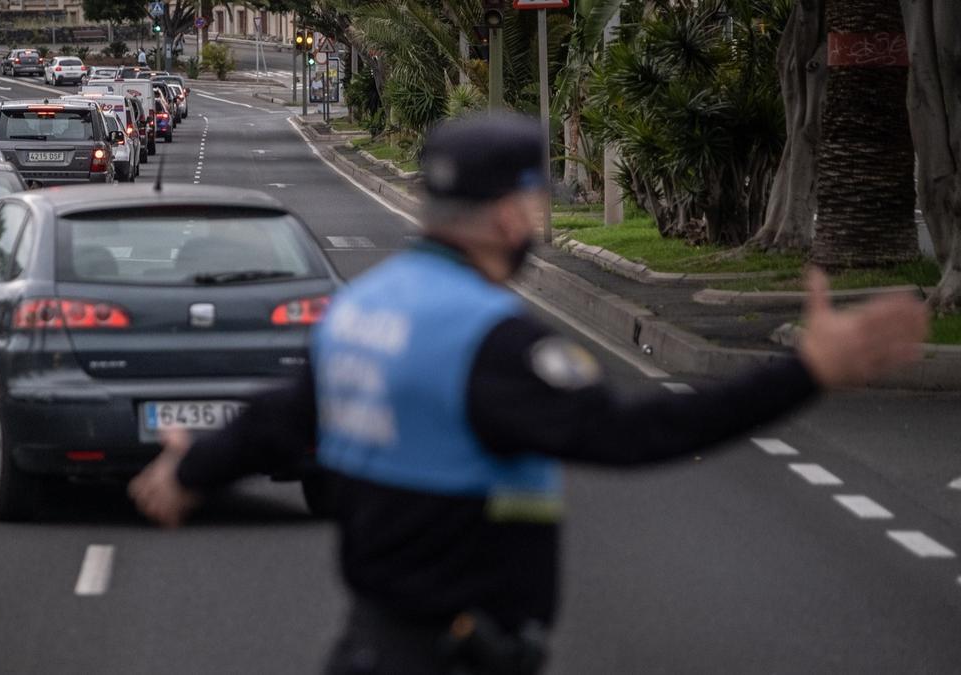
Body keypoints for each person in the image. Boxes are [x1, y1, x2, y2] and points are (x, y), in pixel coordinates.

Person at [128, 113, 929, 674]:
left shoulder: (365, 307)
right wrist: (806, 371)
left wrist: (193, 467)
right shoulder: (493, 340)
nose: (539, 222)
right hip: (454, 650)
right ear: (509, 213)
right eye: (537, 205)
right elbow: (633, 432)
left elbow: (284, 417)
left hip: (377, 640)